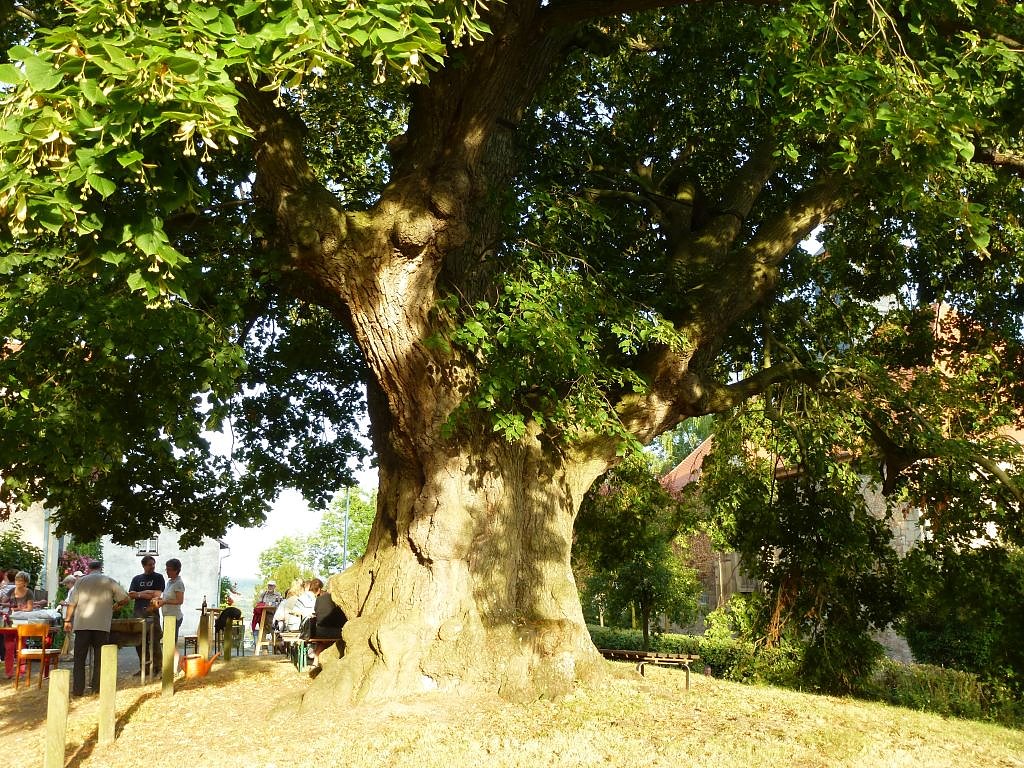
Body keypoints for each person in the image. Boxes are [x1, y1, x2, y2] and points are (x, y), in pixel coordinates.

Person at [64, 560, 129, 697]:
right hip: (101, 625)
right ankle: (97, 688)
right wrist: (117, 605)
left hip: (82, 625)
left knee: (79, 659)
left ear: (89, 568)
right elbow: (125, 598)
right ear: (101, 568)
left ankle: (78, 689)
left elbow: (72, 603)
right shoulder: (108, 581)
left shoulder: (80, 582)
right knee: (100, 659)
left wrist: (67, 620)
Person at [127, 555, 165, 676]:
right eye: (149, 564)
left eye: (153, 564)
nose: (152, 566)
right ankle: (145, 668)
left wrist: (139, 594)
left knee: (154, 640)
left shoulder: (158, 577)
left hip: (152, 612)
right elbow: (131, 595)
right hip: (138, 613)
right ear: (143, 565)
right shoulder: (136, 579)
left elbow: (157, 595)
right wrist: (147, 593)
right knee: (139, 641)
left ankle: (158, 667)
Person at [307, 577, 346, 679]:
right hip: (335, 631)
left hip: (320, 632)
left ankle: (315, 662)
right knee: (331, 639)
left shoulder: (319, 599)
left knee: (322, 641)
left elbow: (317, 613)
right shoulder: (338, 600)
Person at [154, 558, 185, 644]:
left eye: (169, 569)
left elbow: (179, 600)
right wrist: (159, 599)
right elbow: (168, 598)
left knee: (170, 644)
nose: (167, 571)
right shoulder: (170, 582)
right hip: (167, 616)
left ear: (176, 570)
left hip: (174, 617)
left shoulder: (178, 583)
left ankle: (171, 653)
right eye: (166, 569)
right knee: (167, 643)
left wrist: (164, 602)